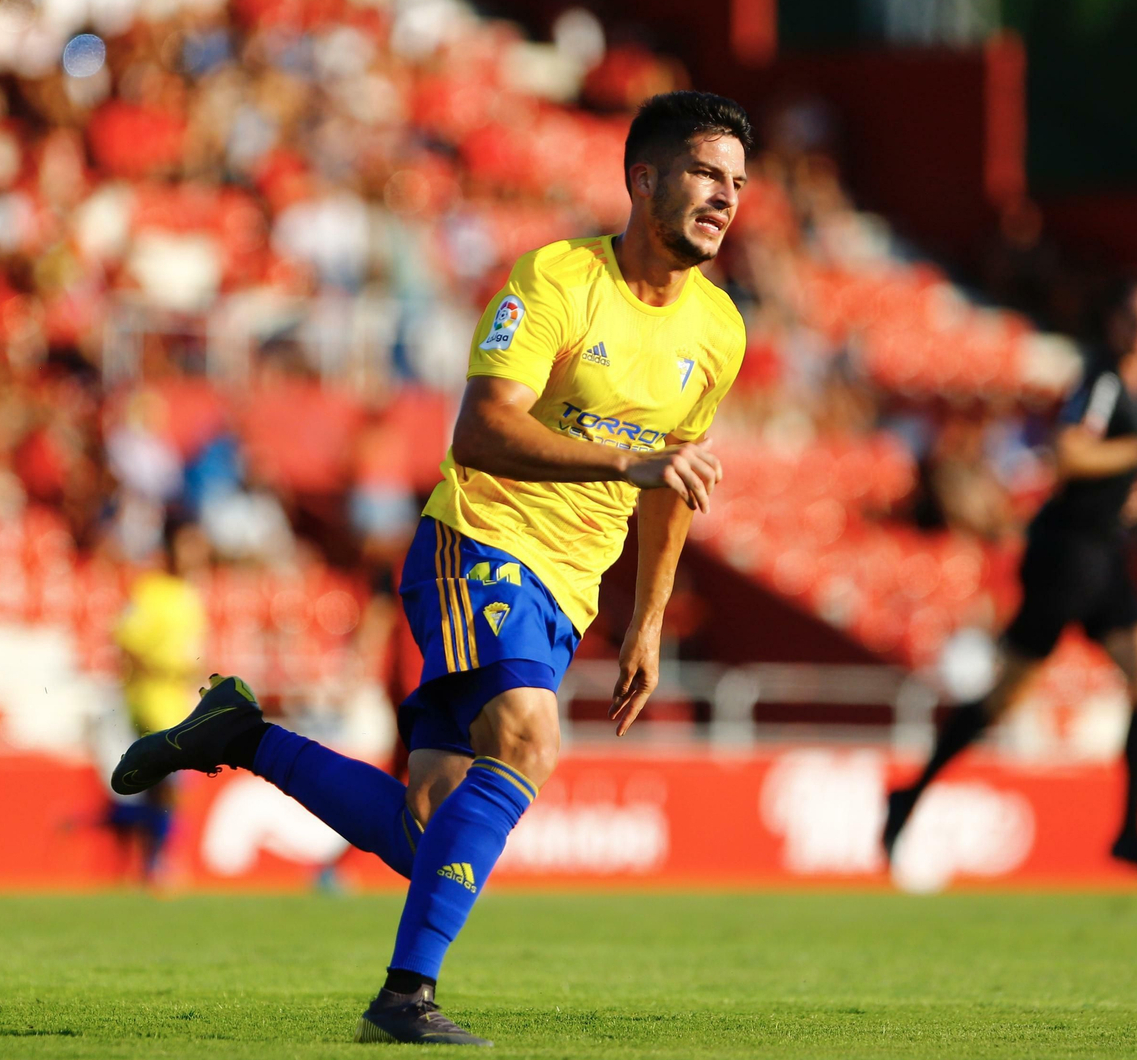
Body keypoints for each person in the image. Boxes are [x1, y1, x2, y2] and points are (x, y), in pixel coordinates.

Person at [111, 90, 751, 1045]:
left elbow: (674, 490)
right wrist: (629, 457)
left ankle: (243, 736)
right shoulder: (559, 280)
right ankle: (404, 1000)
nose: (725, 197)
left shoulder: (719, 333)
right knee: (530, 742)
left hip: (565, 593)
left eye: (737, 182)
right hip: (478, 542)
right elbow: (482, 428)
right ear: (642, 178)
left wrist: (649, 620)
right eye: (705, 173)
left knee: (427, 832)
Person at [882, 272, 1137, 883]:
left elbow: (1100, 469)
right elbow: (1070, 452)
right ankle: (910, 795)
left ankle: (1130, 831)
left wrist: (1126, 496)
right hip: (1067, 557)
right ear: (1116, 322)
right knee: (1005, 699)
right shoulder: (1103, 377)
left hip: (1105, 555)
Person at [105, 516, 210, 884]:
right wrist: (157, 670)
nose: (194, 554)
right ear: (169, 549)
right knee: (174, 782)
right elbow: (125, 640)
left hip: (177, 701)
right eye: (187, 545)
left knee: (160, 784)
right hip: (151, 700)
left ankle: (152, 860)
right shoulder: (151, 590)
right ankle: (164, 860)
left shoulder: (190, 594)